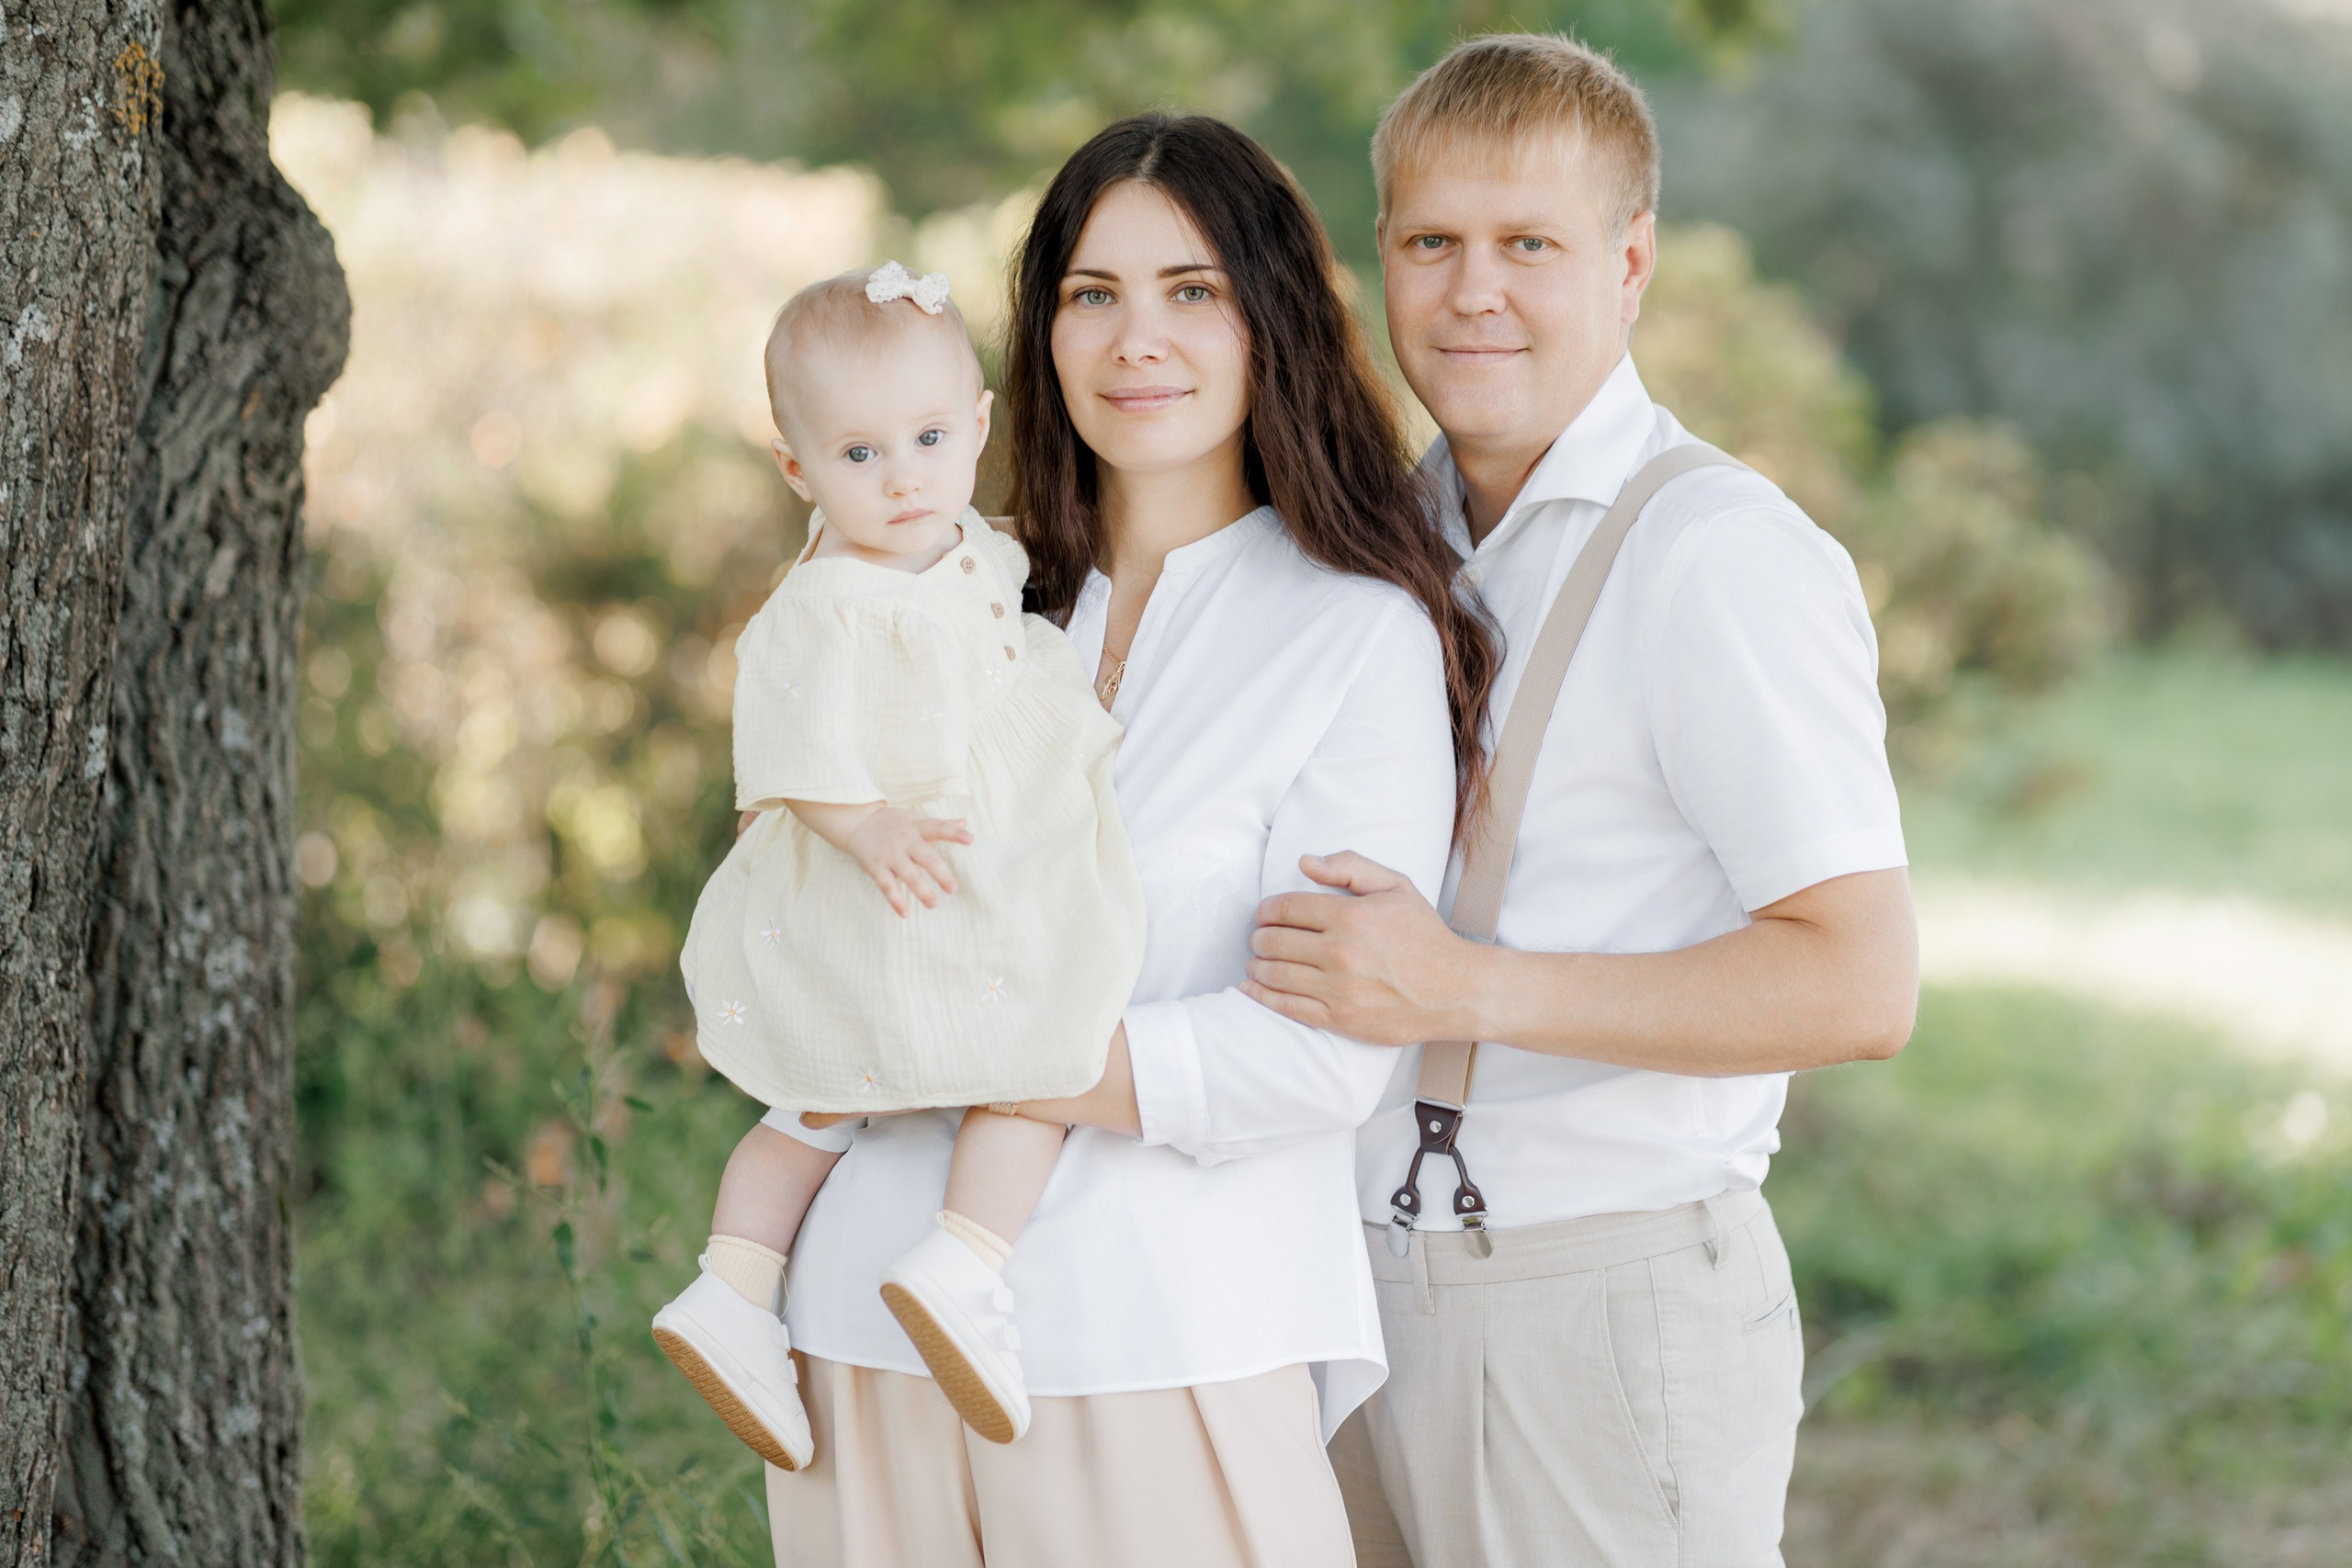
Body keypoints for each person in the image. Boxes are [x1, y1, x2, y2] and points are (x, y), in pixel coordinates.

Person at [759, 113, 1500, 1567]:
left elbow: (1320, 1053)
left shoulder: (1353, 635)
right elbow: (814, 923)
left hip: (1162, 1339)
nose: (1135, 339)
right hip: (856, 1332)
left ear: (1270, 318)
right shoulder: (964, 602)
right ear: (1039, 337)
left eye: (1191, 290)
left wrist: (971, 1052)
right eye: (1091, 293)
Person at [1243, 34, 1921, 1568]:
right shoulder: (1375, 544)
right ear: (1383, 259)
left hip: (1595, 1305)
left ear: (1631, 263)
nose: (1473, 291)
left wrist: (1461, 989)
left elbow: (1862, 982)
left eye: (1528, 245)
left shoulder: (1717, 554)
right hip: (1340, 1301)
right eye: (1433, 243)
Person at [652, 261, 1148, 1471]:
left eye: (929, 440)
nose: (904, 478)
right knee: (1045, 1044)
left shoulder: (953, 538)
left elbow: (988, 574)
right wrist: (864, 826)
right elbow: (787, 742)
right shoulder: (826, 601)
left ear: (978, 424)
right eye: (860, 455)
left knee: (819, 1103)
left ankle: (734, 1288)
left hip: (929, 862)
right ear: (799, 472)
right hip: (901, 872)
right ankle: (963, 1259)